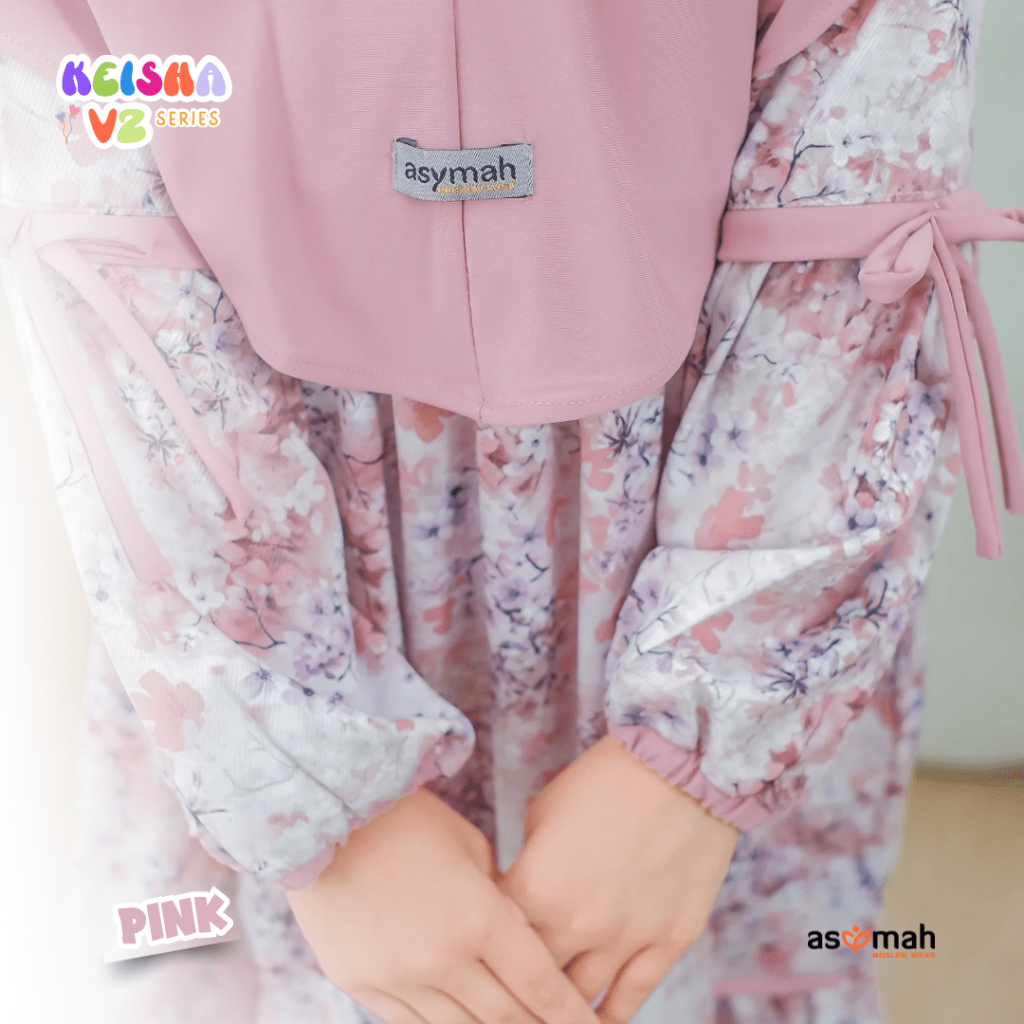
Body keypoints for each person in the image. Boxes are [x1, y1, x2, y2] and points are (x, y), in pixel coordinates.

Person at [1, 1, 1021, 1022]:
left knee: (717, 943)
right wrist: (311, 785)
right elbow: (81, 110)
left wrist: (702, 741)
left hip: (720, 505)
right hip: (251, 539)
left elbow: (869, 113)